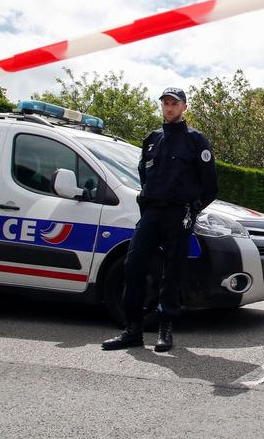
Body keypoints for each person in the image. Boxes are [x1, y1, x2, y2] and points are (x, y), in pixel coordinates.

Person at [102, 87, 218, 352]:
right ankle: (132, 329)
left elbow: (210, 186)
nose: (169, 107)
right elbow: (145, 175)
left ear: (184, 107)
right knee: (133, 265)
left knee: (171, 270)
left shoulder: (196, 140)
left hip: (180, 214)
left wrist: (193, 212)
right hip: (152, 212)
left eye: (174, 103)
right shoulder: (152, 139)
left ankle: (166, 328)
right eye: (165, 103)